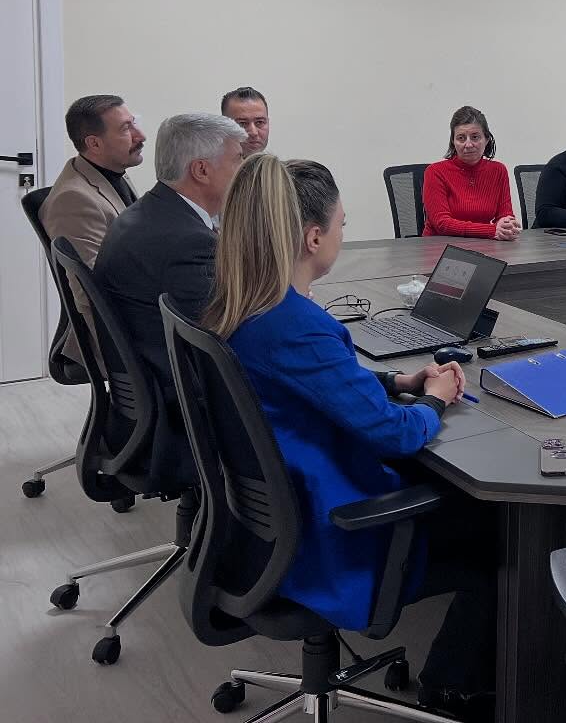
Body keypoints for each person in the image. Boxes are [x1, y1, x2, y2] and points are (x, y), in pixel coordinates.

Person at [204, 156, 496, 720]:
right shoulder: (298, 326)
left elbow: (312, 385)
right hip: (329, 537)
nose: (343, 233)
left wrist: (395, 381)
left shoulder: (243, 306)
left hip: (264, 530)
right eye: (342, 224)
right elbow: (396, 435)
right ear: (313, 238)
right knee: (500, 531)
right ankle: (453, 688)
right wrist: (436, 397)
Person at [93, 113, 245, 471]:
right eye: (239, 160)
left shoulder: (149, 213)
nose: (245, 172)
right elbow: (229, 336)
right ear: (201, 170)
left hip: (148, 391)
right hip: (183, 406)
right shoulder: (187, 242)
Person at [40, 95, 146, 364]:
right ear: (94, 143)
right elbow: (95, 293)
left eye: (134, 123)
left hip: (135, 311)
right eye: (126, 128)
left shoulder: (111, 172)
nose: (141, 135)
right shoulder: (74, 199)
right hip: (115, 338)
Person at [422, 106, 520, 240]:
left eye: (475, 137)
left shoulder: (498, 170)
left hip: (483, 245)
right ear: (453, 142)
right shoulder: (435, 172)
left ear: (486, 139)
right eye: (461, 138)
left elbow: (505, 214)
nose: (468, 144)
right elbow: (441, 224)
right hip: (439, 246)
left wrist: (507, 225)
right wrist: (491, 230)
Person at [221, 85, 270, 155]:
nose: (253, 133)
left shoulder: (279, 162)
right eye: (242, 123)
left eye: (259, 122)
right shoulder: (208, 161)